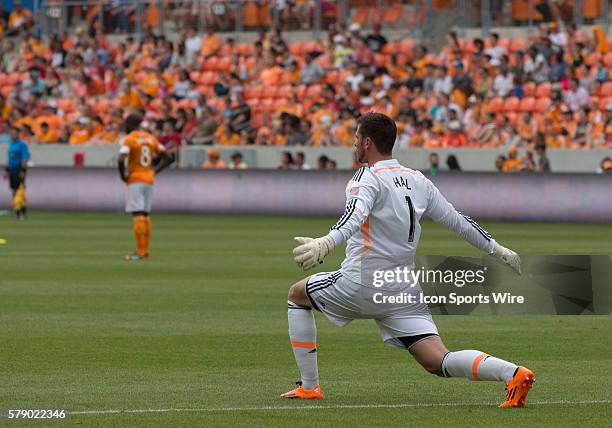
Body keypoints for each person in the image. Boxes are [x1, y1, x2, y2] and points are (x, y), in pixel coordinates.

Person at [281, 113, 534, 408]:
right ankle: (513, 373)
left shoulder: (367, 177)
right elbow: (458, 221)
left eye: (355, 139)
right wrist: (498, 249)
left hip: (361, 283)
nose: (353, 145)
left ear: (367, 143)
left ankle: (309, 387)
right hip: (401, 289)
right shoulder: (418, 180)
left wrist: (327, 242)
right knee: (437, 360)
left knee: (297, 295)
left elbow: (353, 216)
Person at [118, 113, 172, 261]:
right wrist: (155, 171)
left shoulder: (129, 139)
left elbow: (121, 158)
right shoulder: (150, 138)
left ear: (129, 125)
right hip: (149, 179)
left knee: (138, 214)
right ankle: (145, 252)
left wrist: (123, 176)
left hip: (135, 179)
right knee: (146, 215)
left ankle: (140, 252)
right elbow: (168, 157)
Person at [3, 127, 29, 219]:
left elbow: (25, 158)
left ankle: (21, 212)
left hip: (19, 170)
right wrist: (7, 170)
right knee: (14, 190)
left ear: (18, 134)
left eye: (13, 133)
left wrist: (23, 171)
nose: (11, 135)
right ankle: (18, 212)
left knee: (19, 191)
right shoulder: (11, 144)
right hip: (12, 170)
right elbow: (10, 159)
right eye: (11, 133)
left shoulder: (22, 145)